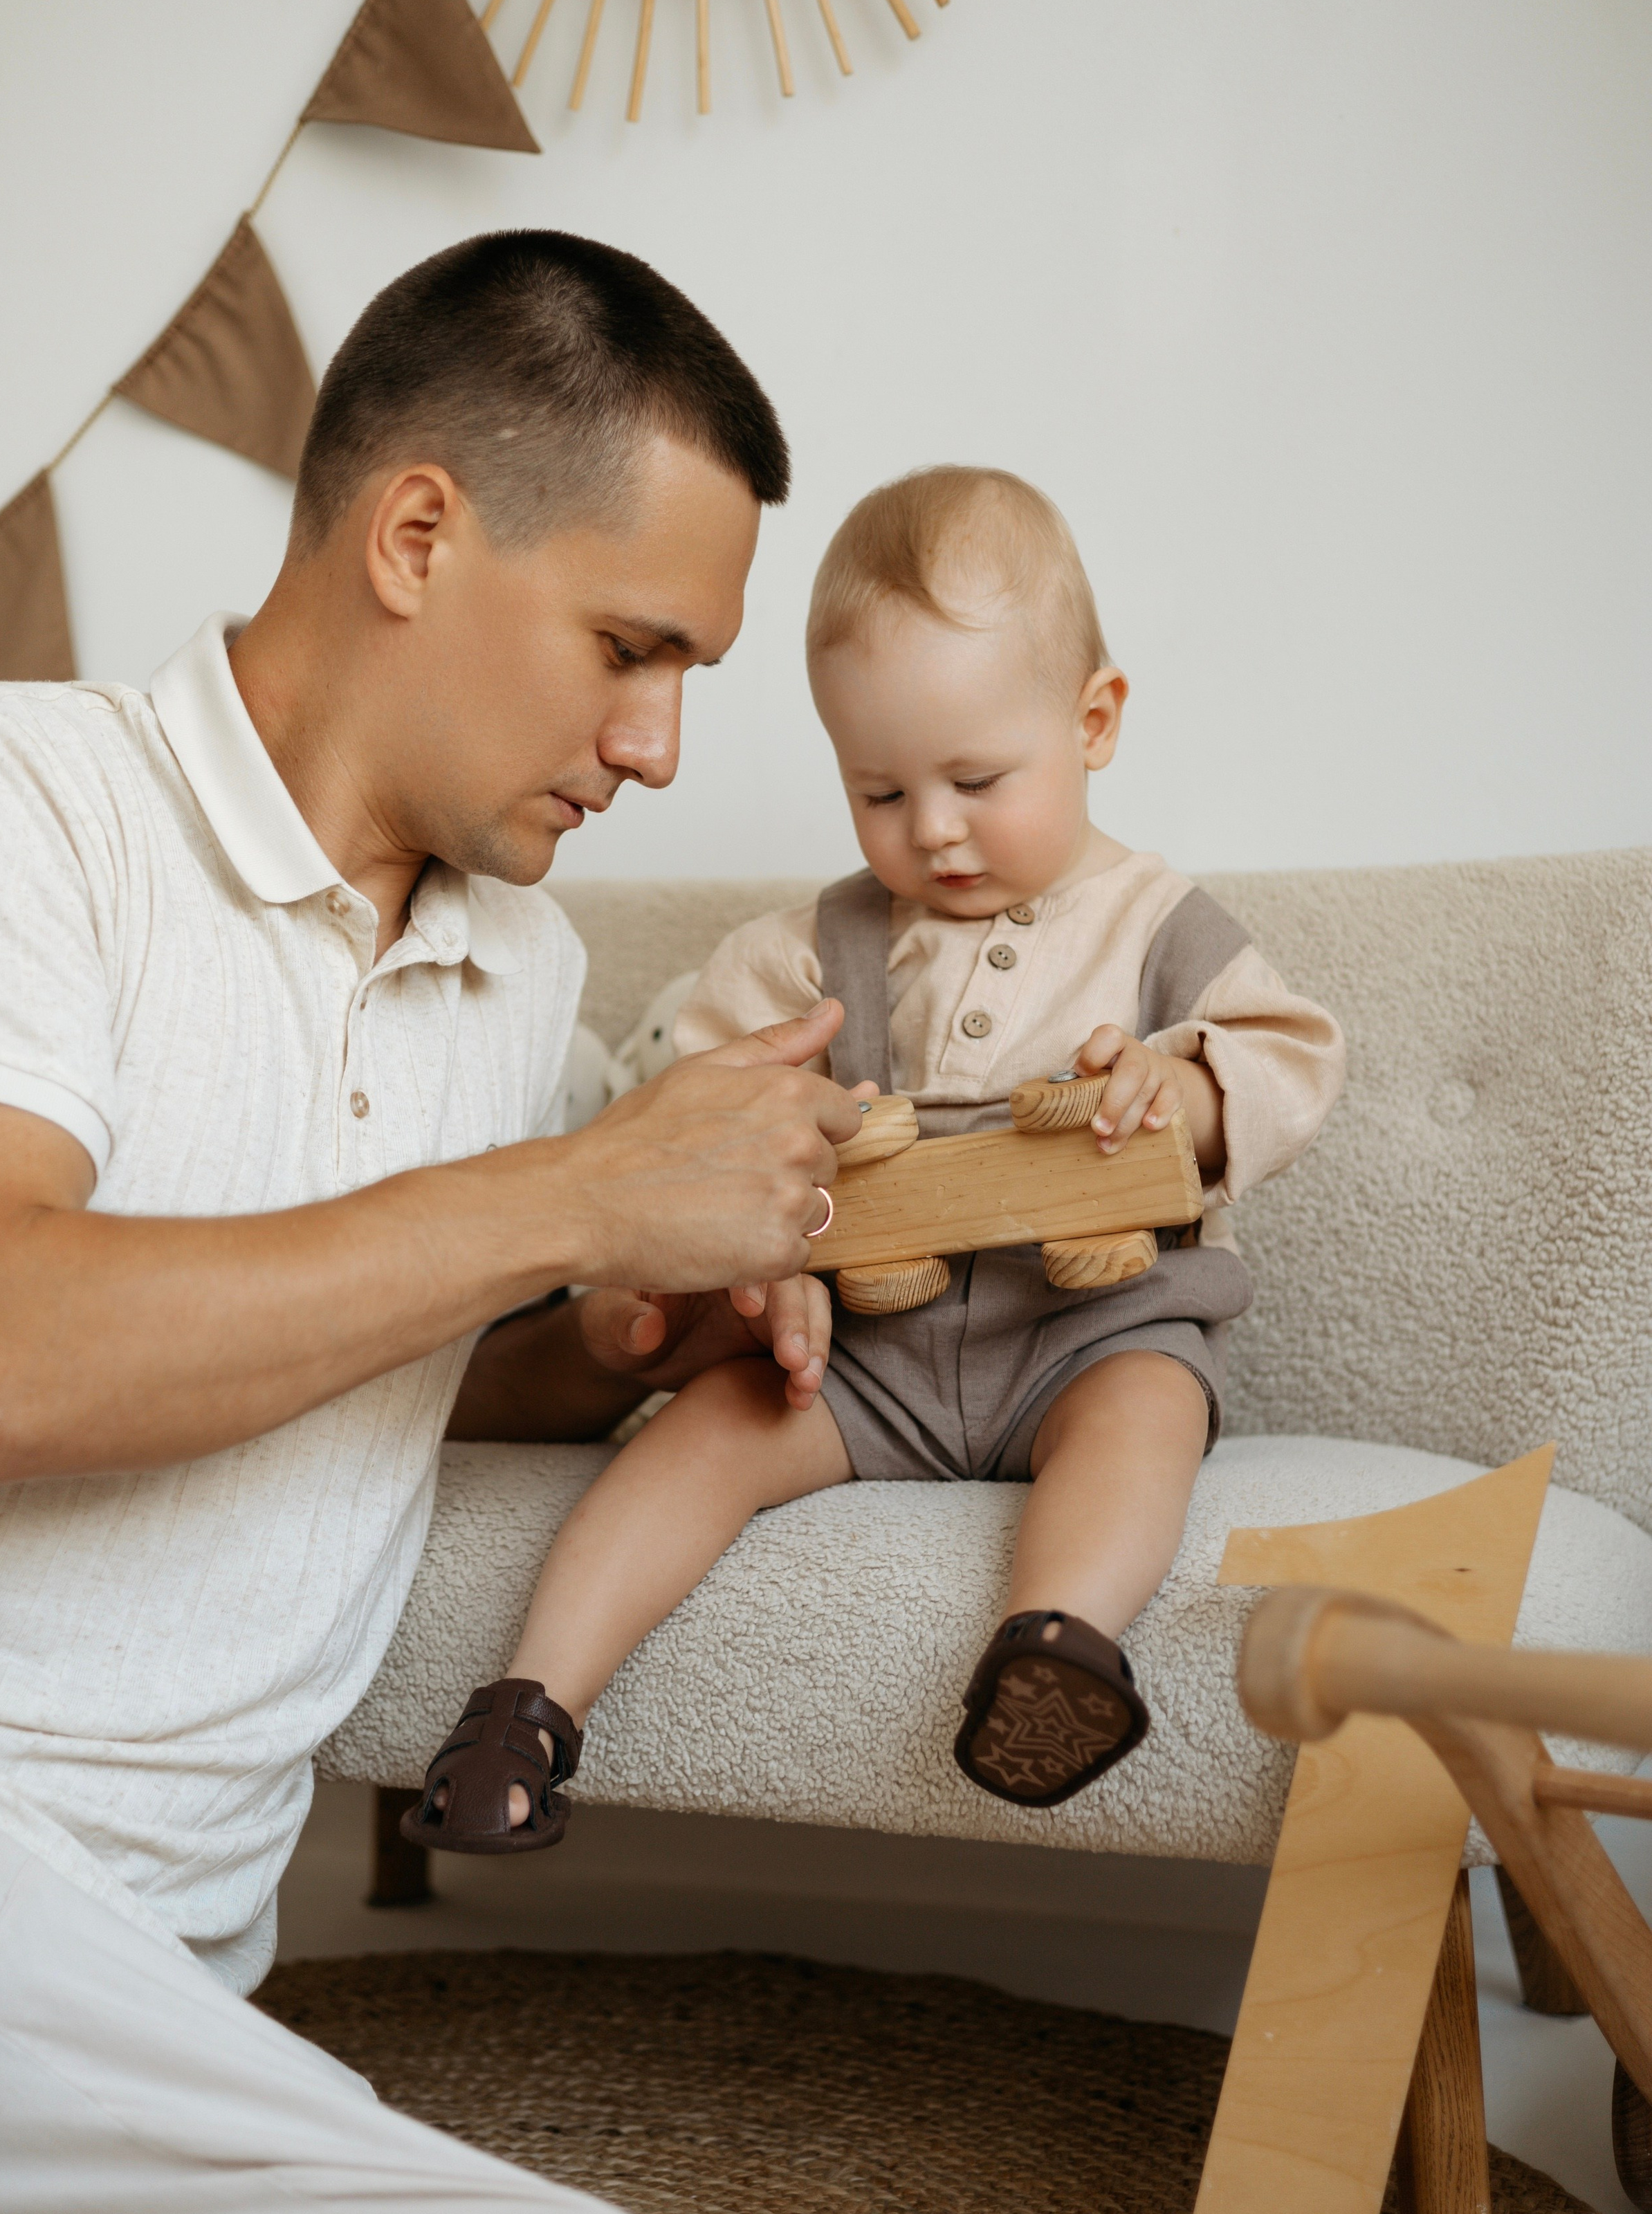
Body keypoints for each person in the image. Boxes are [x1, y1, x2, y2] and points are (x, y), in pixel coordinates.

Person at [0, 229, 861, 2214]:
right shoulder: (3, 796)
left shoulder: (517, 962)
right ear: (417, 535)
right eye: (635, 651)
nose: (658, 746)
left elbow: (368, 1338)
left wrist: (618, 1330)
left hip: (115, 2026)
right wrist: (575, 1199)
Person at [403, 466, 1345, 1853]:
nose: (934, 829)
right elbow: (699, 1099)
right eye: (879, 790)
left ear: (1092, 723)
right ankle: (526, 1709)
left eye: (976, 779)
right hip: (863, 1356)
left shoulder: (1155, 925)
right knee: (699, 1437)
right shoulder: (812, 951)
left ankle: (1055, 1650)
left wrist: (1181, 1089)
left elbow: (1287, 1054)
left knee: (1146, 1413)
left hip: (1082, 1325)